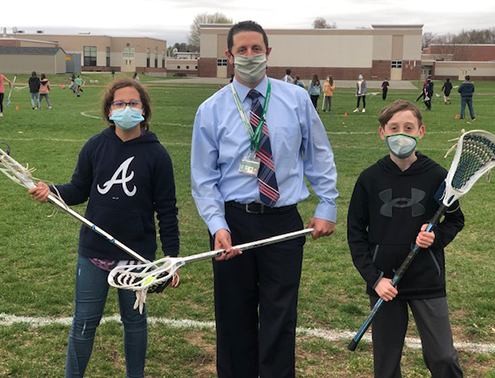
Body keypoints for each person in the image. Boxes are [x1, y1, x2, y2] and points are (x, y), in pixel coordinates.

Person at [191, 20, 338, 378]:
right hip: (233, 223)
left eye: (256, 49)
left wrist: (327, 205)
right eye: (241, 50)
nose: (250, 56)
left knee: (280, 314)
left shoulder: (297, 99)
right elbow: (204, 178)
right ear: (228, 56)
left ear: (268, 53)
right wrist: (216, 225)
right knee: (233, 314)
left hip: (282, 220)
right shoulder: (210, 110)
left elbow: (318, 156)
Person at [28, 78, 180, 378]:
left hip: (136, 257)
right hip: (94, 253)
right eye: (119, 103)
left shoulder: (157, 155)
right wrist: (51, 192)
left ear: (144, 110)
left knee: (134, 323)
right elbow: (78, 189)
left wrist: (172, 257)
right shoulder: (95, 146)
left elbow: (167, 210)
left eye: (133, 103)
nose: (126, 108)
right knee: (84, 323)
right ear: (109, 110)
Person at [348, 100, 465, 378]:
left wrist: (435, 237)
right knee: (386, 366)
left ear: (421, 132)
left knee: (442, 357)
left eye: (409, 127)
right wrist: (375, 279)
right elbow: (355, 233)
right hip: (386, 284)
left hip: (427, 280)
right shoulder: (369, 179)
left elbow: (455, 219)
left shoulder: (438, 176)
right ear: (382, 133)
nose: (401, 134)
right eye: (394, 128)